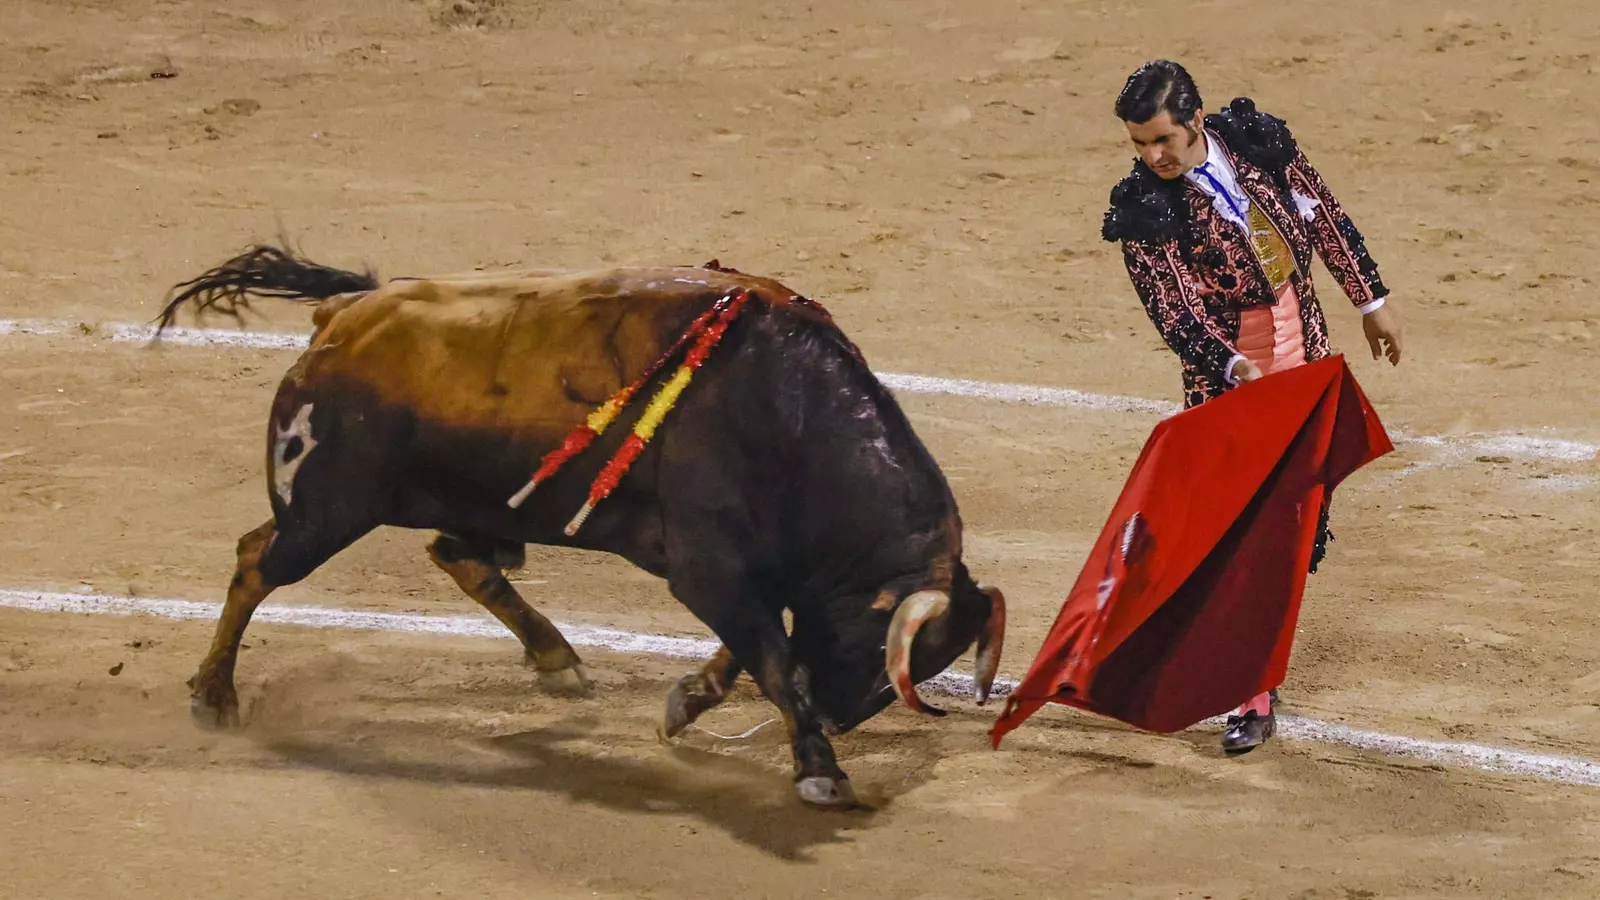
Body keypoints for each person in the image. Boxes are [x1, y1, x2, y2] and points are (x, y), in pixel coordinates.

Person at [1100, 60, 1403, 753]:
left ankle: (1237, 663)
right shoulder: (1145, 207)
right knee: (1240, 536)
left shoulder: (1258, 144)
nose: (1153, 156)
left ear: (1195, 121)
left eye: (1162, 141)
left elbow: (1324, 218)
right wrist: (1234, 366)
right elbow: (1174, 311)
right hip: (1230, 385)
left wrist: (1371, 302)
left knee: (1297, 526)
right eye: (1140, 144)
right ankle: (1249, 690)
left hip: (1309, 358)